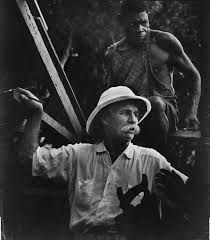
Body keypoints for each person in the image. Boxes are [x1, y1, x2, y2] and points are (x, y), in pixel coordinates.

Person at [16, 86, 188, 240]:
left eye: (136, 114)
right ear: (104, 118)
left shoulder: (151, 160)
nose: (133, 120)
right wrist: (36, 113)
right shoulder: (78, 155)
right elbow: (28, 159)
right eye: (126, 112)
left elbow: (191, 192)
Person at [103, 0, 201, 154]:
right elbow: (112, 95)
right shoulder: (113, 54)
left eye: (144, 22)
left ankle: (160, 165)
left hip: (163, 111)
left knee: (154, 103)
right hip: (131, 115)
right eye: (134, 24)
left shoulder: (163, 42)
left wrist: (192, 112)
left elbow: (194, 76)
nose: (140, 29)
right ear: (121, 21)